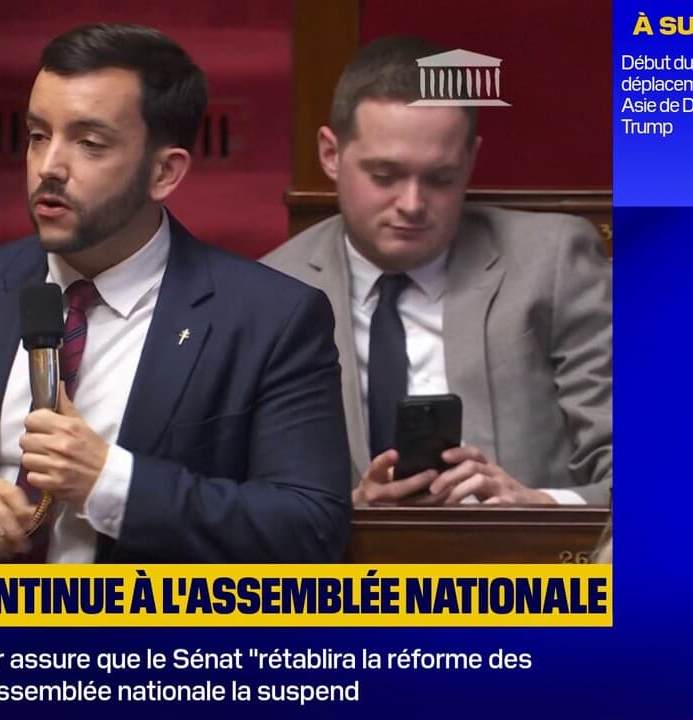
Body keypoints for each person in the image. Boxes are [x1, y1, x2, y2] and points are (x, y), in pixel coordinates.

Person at [0, 23, 351, 563]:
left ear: (164, 172)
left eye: (89, 144)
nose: (49, 167)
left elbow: (309, 529)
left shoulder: (270, 319)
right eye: (38, 135)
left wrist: (110, 483)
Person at [262, 36, 611, 507]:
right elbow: (247, 498)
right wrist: (350, 513)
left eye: (440, 179)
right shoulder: (273, 291)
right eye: (384, 176)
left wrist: (538, 505)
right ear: (330, 154)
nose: (412, 204)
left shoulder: (552, 263)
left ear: (470, 160)